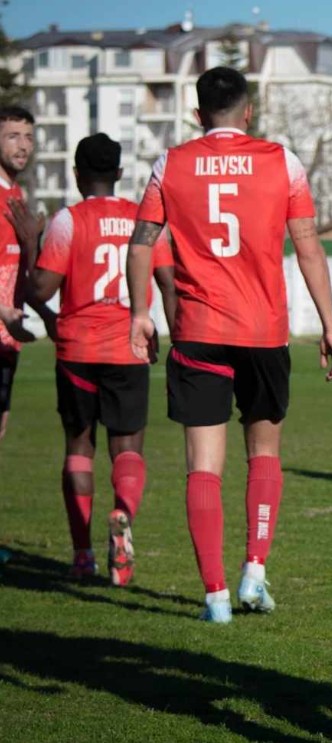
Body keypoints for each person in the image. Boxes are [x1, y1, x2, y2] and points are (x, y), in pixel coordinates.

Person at [127, 66, 332, 623]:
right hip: (263, 332)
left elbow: (141, 244)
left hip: (199, 332)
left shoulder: (169, 164)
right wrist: (329, 323)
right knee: (264, 453)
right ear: (248, 112)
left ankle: (216, 597)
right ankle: (255, 570)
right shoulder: (282, 162)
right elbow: (309, 249)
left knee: (203, 466)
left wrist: (140, 315)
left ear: (197, 115)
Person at [24, 133, 176, 584]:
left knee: (79, 448)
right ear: (120, 173)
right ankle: (122, 513)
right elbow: (168, 281)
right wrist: (177, 341)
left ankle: (82, 555)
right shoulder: (143, 219)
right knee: (127, 448)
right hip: (129, 346)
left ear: (76, 175)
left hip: (77, 350)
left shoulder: (67, 221)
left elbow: (41, 289)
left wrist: (31, 245)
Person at [0, 105, 56, 444]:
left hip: (8, 339)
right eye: (12, 137)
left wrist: (45, 313)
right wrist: (3, 312)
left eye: (28, 138)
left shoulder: (15, 195)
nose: (22, 146)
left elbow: (16, 273)